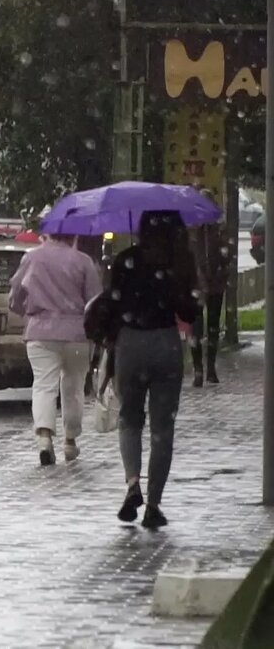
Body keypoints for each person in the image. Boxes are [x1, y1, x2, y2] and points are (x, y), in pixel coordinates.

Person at [105, 210, 197, 530]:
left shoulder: (125, 261)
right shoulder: (178, 265)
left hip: (130, 343)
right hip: (166, 344)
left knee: (129, 420)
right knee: (162, 430)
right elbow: (190, 311)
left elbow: (112, 306)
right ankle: (154, 504)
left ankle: (133, 484)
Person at [9, 233, 102, 466]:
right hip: (77, 333)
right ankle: (70, 441)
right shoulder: (83, 261)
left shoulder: (32, 259)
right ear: (73, 236)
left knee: (43, 385)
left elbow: (16, 294)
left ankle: (44, 437)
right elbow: (95, 300)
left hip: (40, 332)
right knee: (74, 387)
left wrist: (25, 311)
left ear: (48, 233)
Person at [190, 221, 228, 386]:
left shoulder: (219, 231)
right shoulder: (191, 232)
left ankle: (210, 368)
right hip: (196, 287)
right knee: (196, 328)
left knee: (213, 327)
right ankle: (198, 369)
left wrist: (219, 273)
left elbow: (226, 257)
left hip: (215, 286)